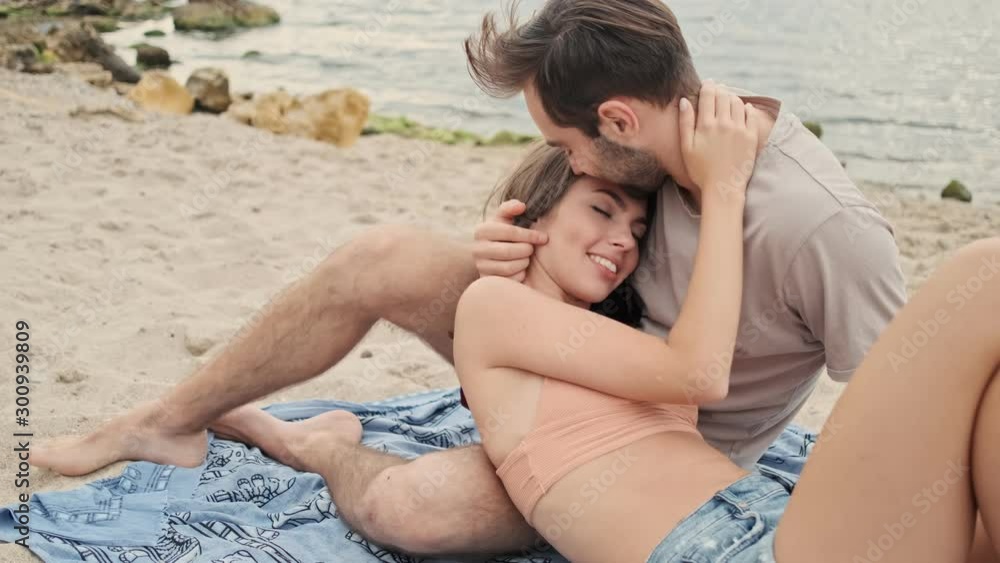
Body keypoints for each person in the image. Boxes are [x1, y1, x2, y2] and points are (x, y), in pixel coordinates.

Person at [27, 0, 912, 558]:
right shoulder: (643, 135)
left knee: (426, 511)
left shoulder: (818, 223)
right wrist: (514, 251)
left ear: (616, 120)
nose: (565, 162)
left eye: (566, 148)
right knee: (384, 254)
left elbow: (895, 410)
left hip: (660, 446)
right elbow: (578, 228)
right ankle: (163, 419)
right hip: (569, 348)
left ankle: (317, 442)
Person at [454, 146, 1000, 563]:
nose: (623, 240)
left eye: (638, 230)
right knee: (986, 275)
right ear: (530, 211)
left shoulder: (611, 338)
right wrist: (723, 189)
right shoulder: (492, 304)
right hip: (727, 548)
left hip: (777, 519)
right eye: (602, 210)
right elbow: (702, 372)